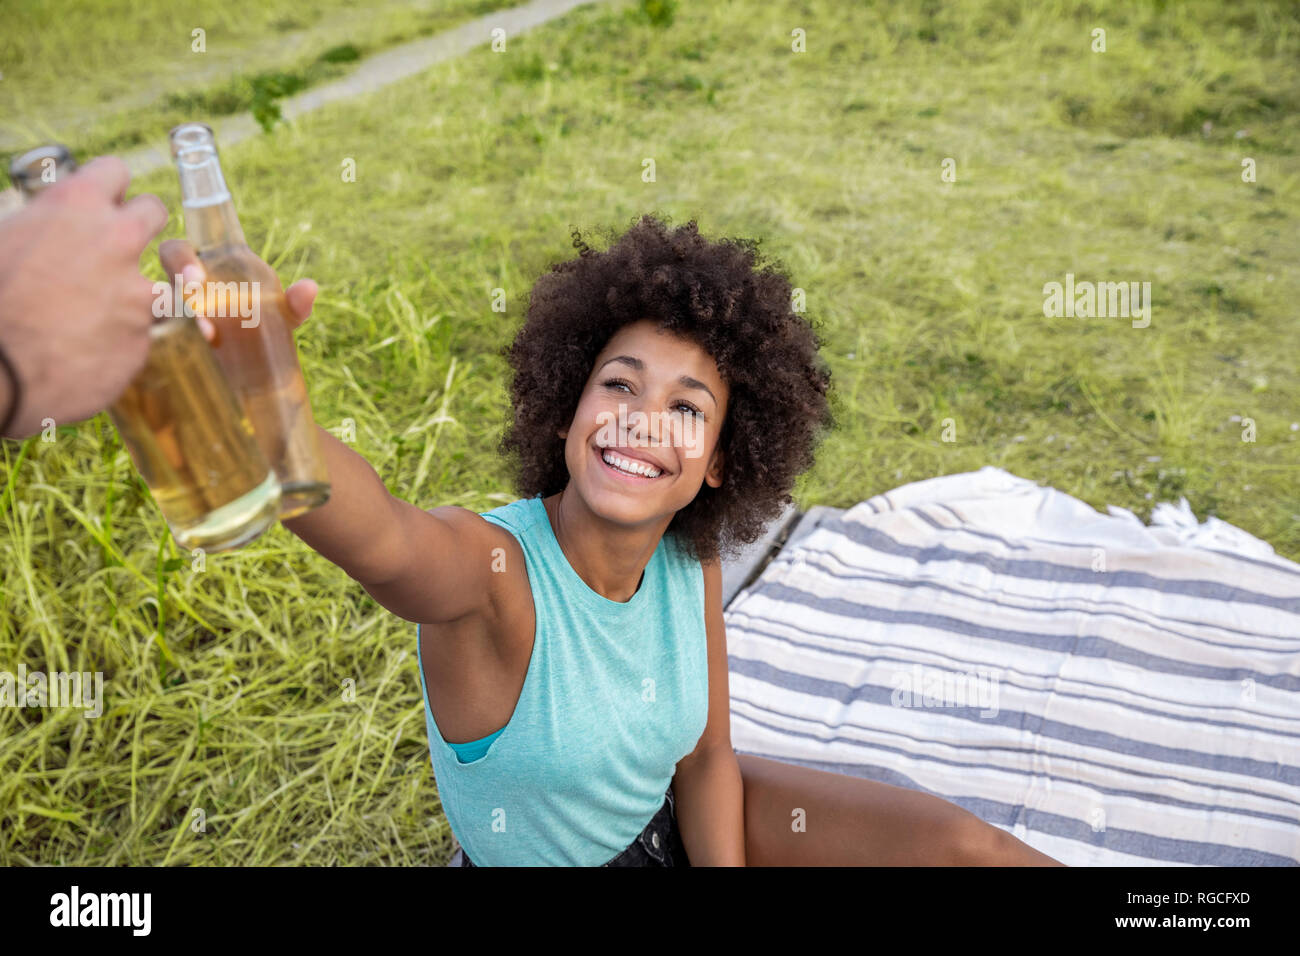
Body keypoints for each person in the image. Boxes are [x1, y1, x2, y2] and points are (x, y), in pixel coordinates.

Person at [164, 213, 1063, 867]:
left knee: (963, 849)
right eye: (619, 386)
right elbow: (388, 539)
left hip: (679, 826)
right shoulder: (492, 577)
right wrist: (262, 408)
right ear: (569, 407)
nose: (642, 422)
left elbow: (707, 759)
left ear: (717, 460)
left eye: (686, 408)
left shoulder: (689, 553)